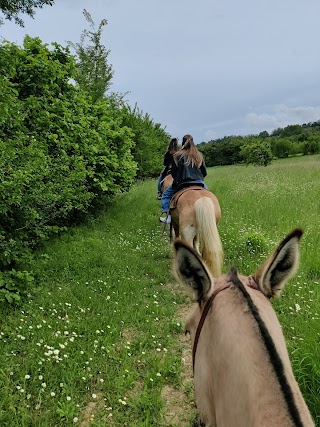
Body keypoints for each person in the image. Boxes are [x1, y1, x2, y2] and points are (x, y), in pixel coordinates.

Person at [160, 134, 208, 224]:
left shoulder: (178, 155)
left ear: (182, 143)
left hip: (183, 182)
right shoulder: (199, 155)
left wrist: (176, 181)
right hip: (199, 182)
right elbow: (204, 172)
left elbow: (174, 172)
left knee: (166, 195)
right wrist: (199, 179)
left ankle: (168, 216)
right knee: (207, 195)